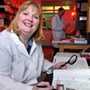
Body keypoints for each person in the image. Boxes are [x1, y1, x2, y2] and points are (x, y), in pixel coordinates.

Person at [0, 1, 54, 90]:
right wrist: (31, 89)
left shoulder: (35, 42)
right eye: (25, 14)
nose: (30, 19)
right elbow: (1, 80)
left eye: (35, 17)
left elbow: (36, 61)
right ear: (17, 17)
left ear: (39, 23)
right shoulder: (3, 40)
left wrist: (52, 66)